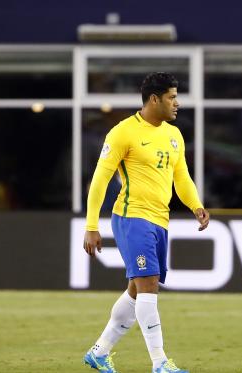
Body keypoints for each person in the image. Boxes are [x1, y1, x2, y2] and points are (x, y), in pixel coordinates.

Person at [82, 72, 209, 373]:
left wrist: (196, 205)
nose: (177, 103)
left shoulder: (174, 135)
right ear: (155, 99)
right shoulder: (123, 133)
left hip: (159, 221)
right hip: (131, 217)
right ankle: (160, 363)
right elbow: (99, 181)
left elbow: (181, 177)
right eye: (172, 97)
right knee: (149, 284)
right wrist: (91, 225)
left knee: (138, 290)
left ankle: (99, 352)